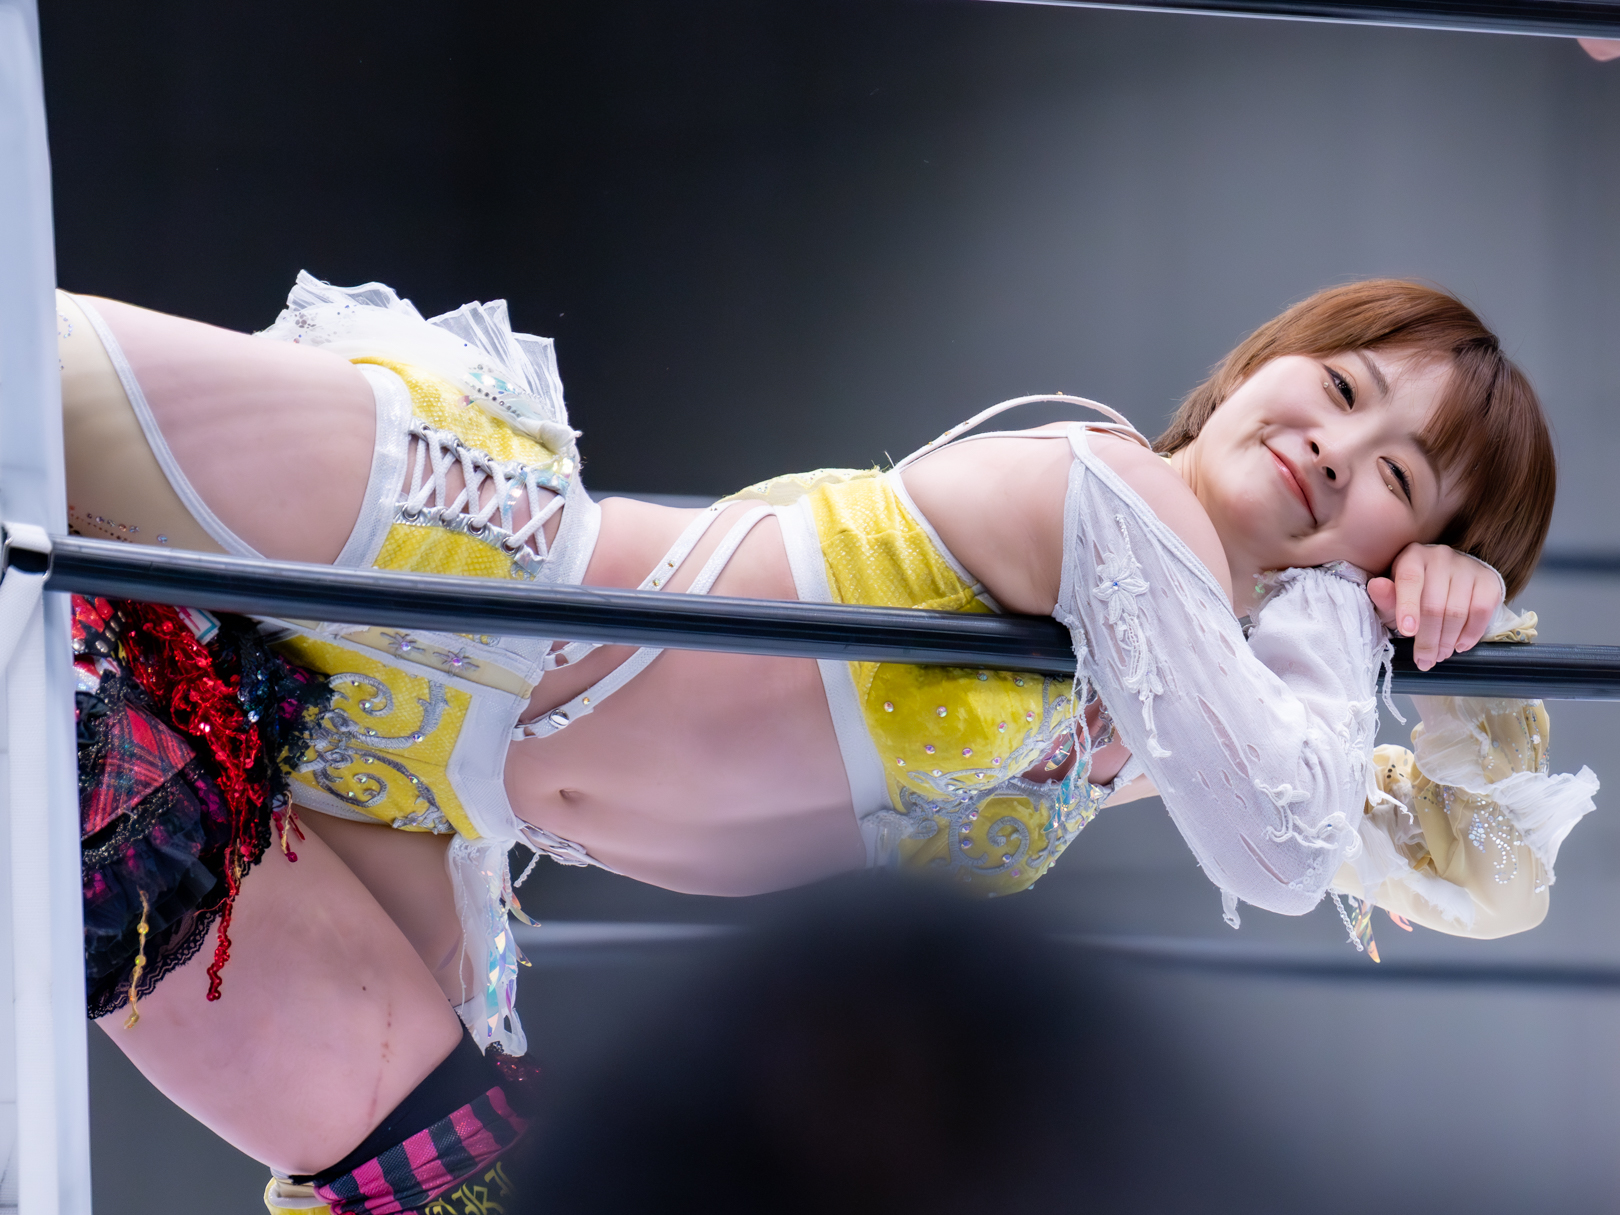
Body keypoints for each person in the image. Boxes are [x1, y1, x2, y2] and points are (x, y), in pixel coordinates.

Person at [56, 274, 1597, 1212]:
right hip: (444, 543)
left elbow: (1464, 869)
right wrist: (1344, 616)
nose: (1333, 445)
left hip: (425, 784)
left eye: (1399, 476)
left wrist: (1456, 651)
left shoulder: (1185, 700)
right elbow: (1286, 841)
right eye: (1340, 386)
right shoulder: (1117, 495)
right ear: (1261, 364)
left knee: (461, 1186)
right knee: (25, 384)